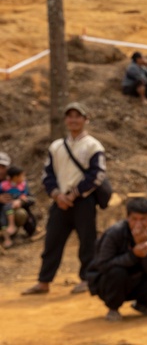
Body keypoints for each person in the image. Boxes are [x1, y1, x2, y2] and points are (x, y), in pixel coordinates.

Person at [23, 102, 108, 296]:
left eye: (78, 116)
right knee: (52, 240)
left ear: (85, 120)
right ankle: (44, 281)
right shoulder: (56, 146)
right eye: (70, 116)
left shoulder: (93, 146)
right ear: (65, 120)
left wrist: (74, 194)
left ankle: (87, 278)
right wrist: (57, 195)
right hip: (60, 201)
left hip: (83, 201)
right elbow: (47, 174)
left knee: (87, 242)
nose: (73, 120)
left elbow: (98, 174)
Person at [86, 197, 147, 322]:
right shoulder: (114, 233)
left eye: (143, 219)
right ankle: (113, 308)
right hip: (111, 284)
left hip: (139, 281)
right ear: (128, 218)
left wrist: (146, 252)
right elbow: (103, 265)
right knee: (117, 272)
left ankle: (143, 305)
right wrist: (133, 255)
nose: (138, 224)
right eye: (134, 219)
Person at [1, 166, 33, 248]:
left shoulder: (22, 184)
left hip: (11, 209)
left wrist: (21, 201)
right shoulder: (4, 185)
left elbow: (30, 198)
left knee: (19, 213)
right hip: (4, 209)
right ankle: (7, 237)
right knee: (3, 217)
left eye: (2, 167)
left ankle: (11, 232)